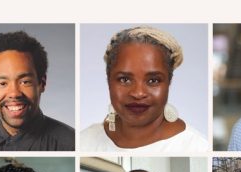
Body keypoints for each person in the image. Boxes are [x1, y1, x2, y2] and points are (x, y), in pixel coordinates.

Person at [80, 26, 208, 151]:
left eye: (153, 80)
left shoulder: (196, 147)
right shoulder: (83, 141)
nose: (138, 93)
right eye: (124, 79)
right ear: (109, 81)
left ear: (169, 82)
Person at [0, 31, 74, 151]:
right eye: (2, 83)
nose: (14, 93)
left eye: (25, 82)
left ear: (41, 83)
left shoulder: (71, 144)